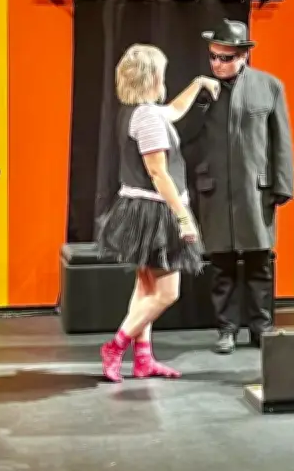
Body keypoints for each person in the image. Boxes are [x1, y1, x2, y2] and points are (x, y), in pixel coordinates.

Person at [96, 44, 220, 382]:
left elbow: (174, 111)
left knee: (146, 288)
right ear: (152, 77)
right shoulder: (147, 118)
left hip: (139, 207)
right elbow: (158, 173)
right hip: (155, 210)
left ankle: (143, 359)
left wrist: (197, 84)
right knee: (167, 293)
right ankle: (115, 347)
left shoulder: (138, 111)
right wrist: (183, 217)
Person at [178, 19, 294, 354]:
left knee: (259, 261)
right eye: (213, 57)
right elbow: (182, 134)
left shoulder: (269, 86)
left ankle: (261, 327)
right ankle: (226, 328)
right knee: (222, 264)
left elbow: (281, 140)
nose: (218, 64)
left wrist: (283, 185)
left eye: (226, 58)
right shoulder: (201, 91)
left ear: (243, 56)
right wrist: (198, 99)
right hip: (215, 189)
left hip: (255, 190)